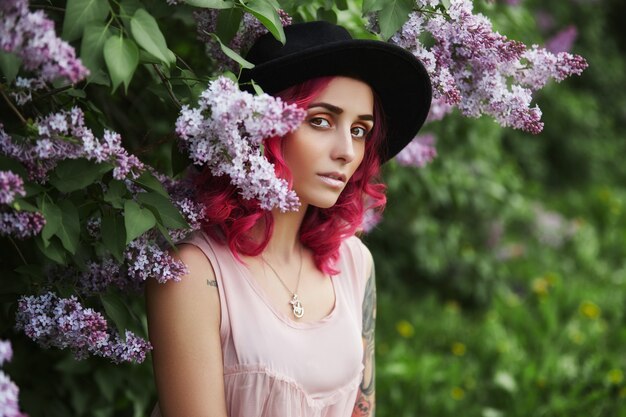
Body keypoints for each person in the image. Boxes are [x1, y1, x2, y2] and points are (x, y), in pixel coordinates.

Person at [145, 21, 431, 417]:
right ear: (262, 129)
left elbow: (362, 410)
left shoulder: (354, 263)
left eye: (361, 130)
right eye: (321, 121)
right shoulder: (193, 274)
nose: (347, 150)